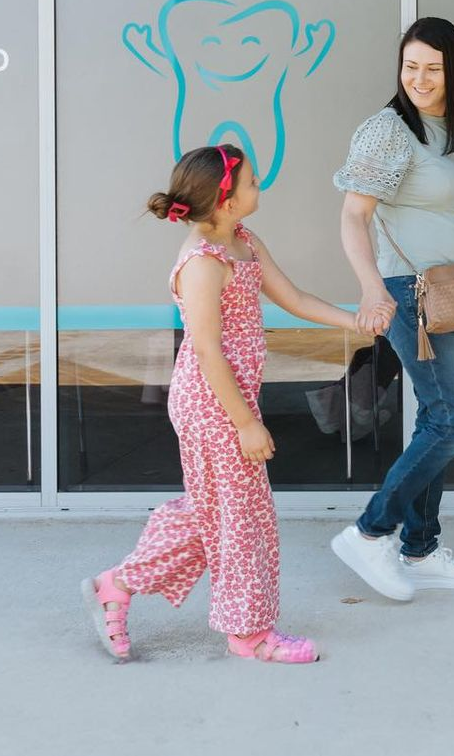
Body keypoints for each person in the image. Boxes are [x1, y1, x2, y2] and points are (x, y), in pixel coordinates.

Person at [81, 143, 356, 664]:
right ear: (226, 199)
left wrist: (356, 320)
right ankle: (249, 635)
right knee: (240, 519)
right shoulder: (203, 263)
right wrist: (246, 423)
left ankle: (115, 585)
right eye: (252, 182)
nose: (260, 188)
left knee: (219, 515)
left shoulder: (243, 240)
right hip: (212, 404)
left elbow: (293, 298)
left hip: (227, 399)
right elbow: (206, 350)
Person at [330, 17, 454, 601]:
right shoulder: (388, 129)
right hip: (408, 292)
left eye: (432, 67)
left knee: (436, 418)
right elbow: (355, 216)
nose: (419, 78)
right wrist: (371, 287)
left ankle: (419, 549)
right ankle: (371, 532)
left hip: (450, 294)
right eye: (410, 65)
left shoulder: (446, 130)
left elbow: (453, 219)